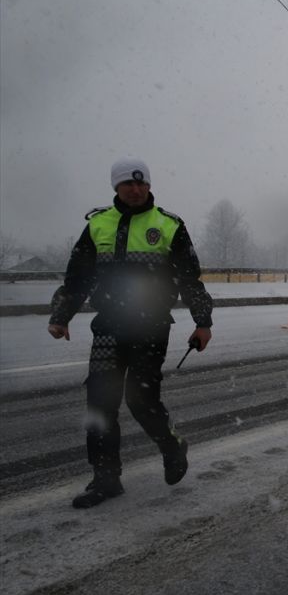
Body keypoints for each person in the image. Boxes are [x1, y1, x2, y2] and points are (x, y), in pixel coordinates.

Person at [48, 157, 213, 509]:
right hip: (108, 327)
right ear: (116, 188)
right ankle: (106, 479)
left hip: (150, 327)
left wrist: (203, 322)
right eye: (128, 184)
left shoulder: (168, 225)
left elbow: (189, 280)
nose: (136, 190)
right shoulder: (97, 226)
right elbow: (77, 279)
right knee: (100, 403)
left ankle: (172, 447)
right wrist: (61, 316)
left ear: (149, 186)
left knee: (141, 400)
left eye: (141, 184)